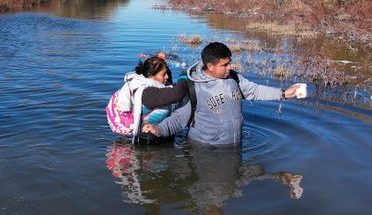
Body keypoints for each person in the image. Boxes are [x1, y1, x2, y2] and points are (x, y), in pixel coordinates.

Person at [142, 42, 303, 145]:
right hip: (204, 152)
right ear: (210, 66)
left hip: (235, 147)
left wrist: (283, 93)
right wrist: (158, 129)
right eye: (224, 65)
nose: (230, 67)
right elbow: (179, 118)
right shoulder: (193, 86)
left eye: (230, 62)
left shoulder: (233, 77)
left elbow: (255, 91)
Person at [106, 54, 180, 139]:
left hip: (140, 130)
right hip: (146, 133)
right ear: (150, 75)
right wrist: (185, 77)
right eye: (163, 74)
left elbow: (169, 86)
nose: (166, 76)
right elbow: (176, 94)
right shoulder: (148, 92)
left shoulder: (142, 81)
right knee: (165, 108)